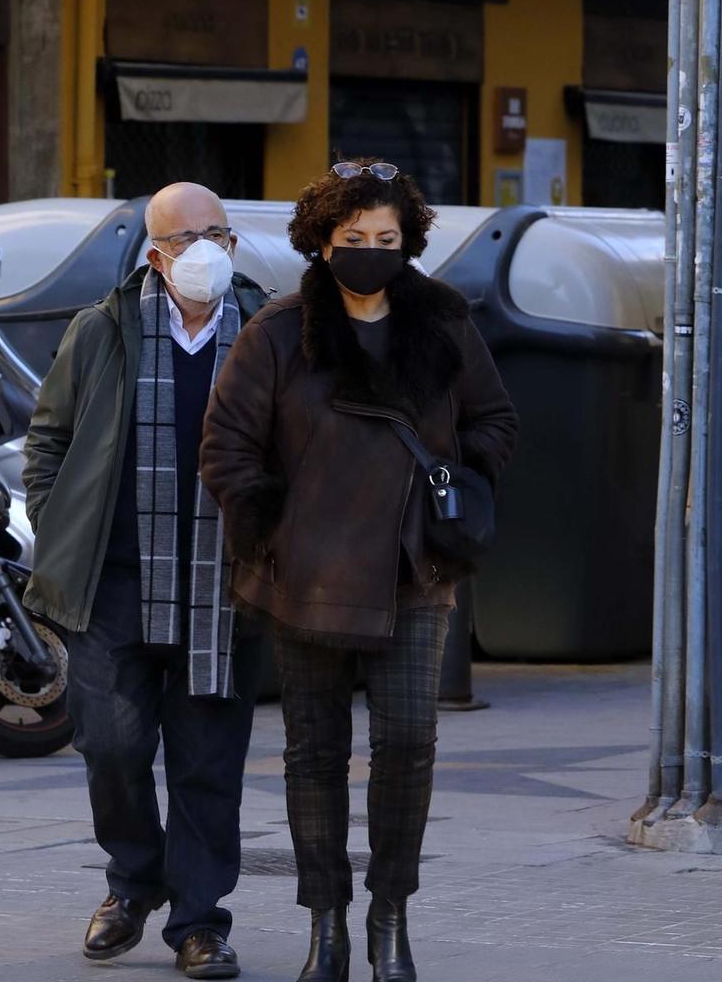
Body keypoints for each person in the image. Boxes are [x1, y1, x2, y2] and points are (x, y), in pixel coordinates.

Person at [200, 160, 519, 982]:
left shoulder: (443, 323)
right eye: (354, 240)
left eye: (387, 239)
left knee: (409, 741)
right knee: (313, 754)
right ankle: (327, 924)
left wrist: (456, 490)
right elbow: (226, 447)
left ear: (408, 240)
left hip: (415, 570)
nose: (372, 252)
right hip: (305, 577)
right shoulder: (275, 333)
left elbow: (493, 418)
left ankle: (389, 915)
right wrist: (268, 532)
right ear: (320, 243)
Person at [23, 184, 271, 980]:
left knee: (207, 760)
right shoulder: (101, 328)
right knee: (112, 746)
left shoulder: (268, 332)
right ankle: (132, 882)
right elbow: (48, 438)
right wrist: (60, 524)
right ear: (155, 254)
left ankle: (199, 923)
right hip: (115, 581)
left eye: (217, 233)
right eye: (185, 236)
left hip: (223, 586)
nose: (203, 249)